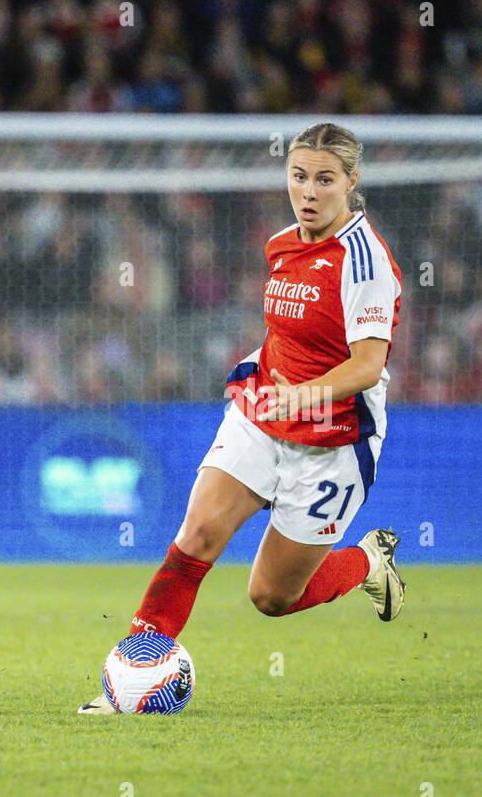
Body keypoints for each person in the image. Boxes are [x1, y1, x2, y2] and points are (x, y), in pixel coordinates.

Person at [79, 122, 405, 714]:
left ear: (351, 182)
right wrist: (257, 369)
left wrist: (304, 396)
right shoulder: (282, 244)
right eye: (298, 176)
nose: (308, 191)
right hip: (262, 414)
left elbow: (367, 365)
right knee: (197, 536)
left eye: (324, 180)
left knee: (272, 596)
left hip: (334, 442)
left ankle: (366, 563)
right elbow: (291, 331)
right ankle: (131, 679)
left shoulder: (365, 262)